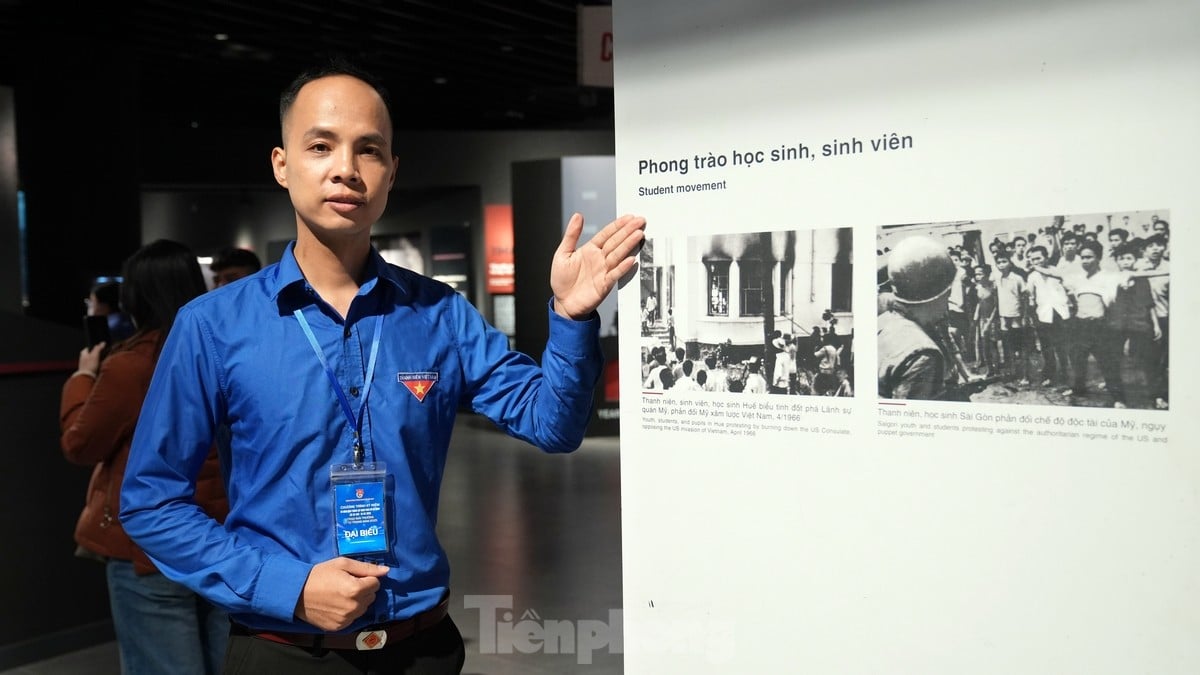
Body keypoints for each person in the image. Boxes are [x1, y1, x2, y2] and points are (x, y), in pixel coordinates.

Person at [118, 59, 645, 674]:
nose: (346, 168)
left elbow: (554, 426)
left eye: (369, 150)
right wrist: (285, 585)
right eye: (321, 146)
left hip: (421, 649)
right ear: (282, 165)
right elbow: (151, 502)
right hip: (284, 652)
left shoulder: (440, 314)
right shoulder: (212, 325)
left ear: (392, 172)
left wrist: (572, 316)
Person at [62, 239, 230, 675]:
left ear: (135, 296)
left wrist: (82, 378)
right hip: (221, 536)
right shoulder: (222, 349)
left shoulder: (131, 364)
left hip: (148, 545)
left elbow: (81, 444)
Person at [877, 235, 969, 400]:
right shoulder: (923, 355)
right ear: (934, 298)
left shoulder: (882, 324)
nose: (946, 306)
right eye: (946, 297)